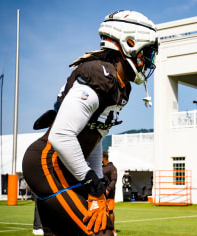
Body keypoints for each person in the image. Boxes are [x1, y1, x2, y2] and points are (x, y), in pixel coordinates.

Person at [22, 10, 158, 235]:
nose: (150, 61)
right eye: (148, 53)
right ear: (130, 43)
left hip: (67, 168)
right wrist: (93, 185)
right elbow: (61, 136)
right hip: (48, 164)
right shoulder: (101, 75)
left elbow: (95, 139)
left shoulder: (120, 86)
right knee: (100, 230)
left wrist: (99, 189)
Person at [102, 151, 117, 235]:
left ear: (104, 157)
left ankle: (113, 230)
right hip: (101, 192)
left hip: (109, 193)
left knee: (110, 210)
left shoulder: (112, 167)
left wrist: (108, 189)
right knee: (103, 210)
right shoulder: (102, 167)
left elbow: (114, 180)